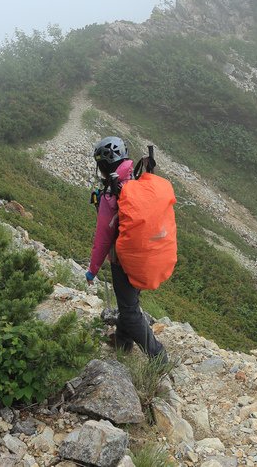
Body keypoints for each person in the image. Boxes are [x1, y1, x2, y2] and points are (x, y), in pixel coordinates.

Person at [86, 136, 167, 360]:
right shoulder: (138, 179)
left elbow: (103, 238)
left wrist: (92, 269)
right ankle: (122, 345)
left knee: (130, 311)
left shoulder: (112, 192)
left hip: (123, 261)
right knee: (128, 303)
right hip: (145, 255)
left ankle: (158, 356)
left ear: (103, 164)